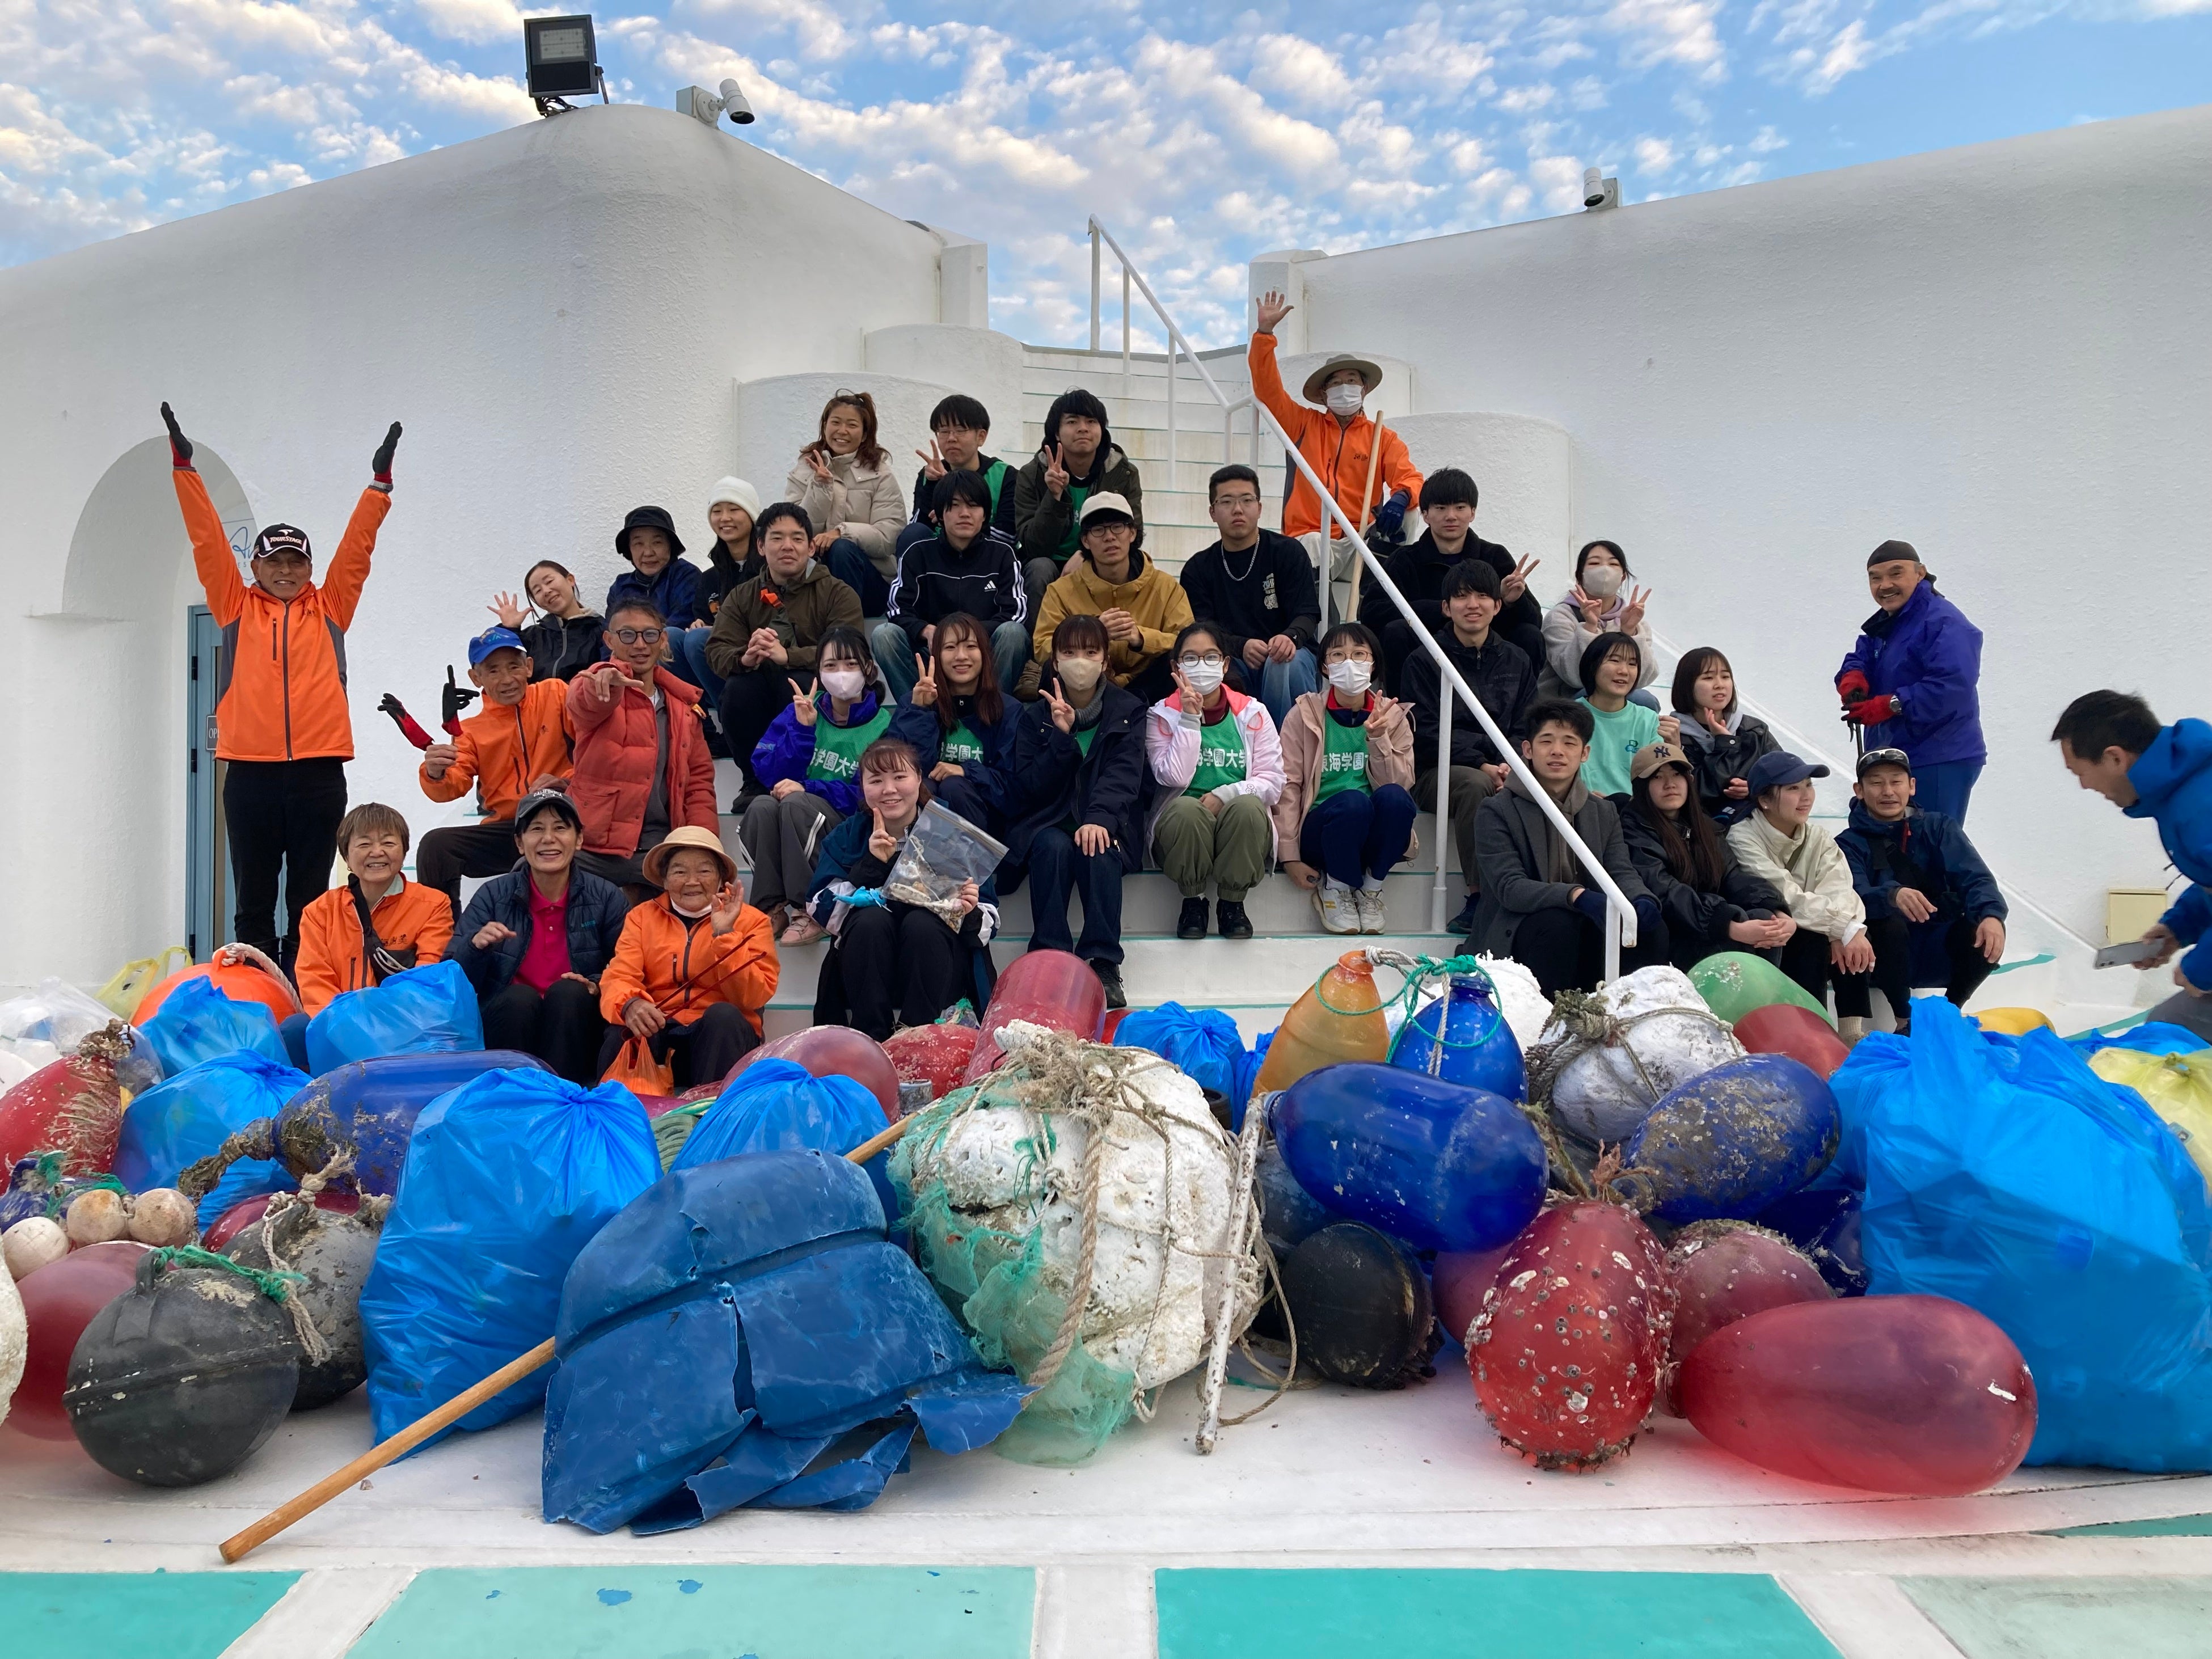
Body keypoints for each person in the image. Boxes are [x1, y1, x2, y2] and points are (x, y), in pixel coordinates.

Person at [162, 400, 399, 976]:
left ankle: (303, 990)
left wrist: (378, 486)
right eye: (276, 562)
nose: (287, 571)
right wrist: (185, 469)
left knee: (311, 898)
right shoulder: (234, 605)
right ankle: (257, 992)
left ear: (309, 567)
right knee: (254, 897)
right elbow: (207, 541)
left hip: (319, 771)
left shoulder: (331, 606)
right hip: (250, 772)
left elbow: (357, 551)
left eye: (296, 562)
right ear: (257, 566)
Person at [805, 738, 999, 1038]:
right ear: (863, 787)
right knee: (870, 921)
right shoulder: (849, 835)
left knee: (923, 923)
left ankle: (916, 1036)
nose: (889, 789)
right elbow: (820, 906)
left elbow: (990, 919)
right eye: (876, 780)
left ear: (919, 778)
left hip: (937, 967)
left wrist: (970, 912)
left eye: (899, 777)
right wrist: (871, 865)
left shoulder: (952, 834)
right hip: (868, 965)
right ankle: (872, 1035)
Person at [1471, 699, 1665, 995]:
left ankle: (1629, 1014)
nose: (1557, 751)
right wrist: (1576, 896)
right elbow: (1511, 888)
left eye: (1570, 743)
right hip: (1522, 925)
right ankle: (1547, 1018)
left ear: (1585, 753)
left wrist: (1640, 899)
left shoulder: (1603, 811)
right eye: (1546, 741)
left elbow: (1620, 871)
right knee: (1559, 925)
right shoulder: (1496, 810)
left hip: (1584, 921)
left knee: (1649, 927)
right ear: (1527, 750)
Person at [2052, 690, 2212, 1042]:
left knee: (2169, 1033)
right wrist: (2178, 928)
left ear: (2115, 758)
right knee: (2167, 1027)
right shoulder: (2185, 790)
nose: (2085, 786)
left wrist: (2202, 969)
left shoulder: (2199, 804)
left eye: (2081, 773)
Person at [1005, 615, 1147, 1009]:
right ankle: (1050, 956)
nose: (1080, 661)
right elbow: (1031, 785)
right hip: (1049, 821)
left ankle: (1104, 963)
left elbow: (1125, 775)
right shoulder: (1034, 716)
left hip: (1108, 822)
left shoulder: (1128, 710)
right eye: (1069, 652)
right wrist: (1060, 737)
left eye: (1090, 651)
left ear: (1105, 661)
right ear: (1055, 661)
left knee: (1098, 847)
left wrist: (1099, 817)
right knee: (1051, 847)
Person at [448, 788, 631, 1083]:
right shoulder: (493, 896)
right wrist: (475, 947)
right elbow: (453, 980)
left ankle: (566, 1092)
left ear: (579, 839)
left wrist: (596, 985)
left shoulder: (607, 897)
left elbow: (627, 967)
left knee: (569, 993)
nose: (548, 839)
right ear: (520, 843)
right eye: (536, 829)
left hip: (576, 1025)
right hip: (512, 1023)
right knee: (519, 998)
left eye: (560, 828)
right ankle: (513, 1092)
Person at [1402, 562, 1538, 934]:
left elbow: (1527, 725)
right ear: (1447, 608)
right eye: (1461, 596)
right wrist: (1481, 763)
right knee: (1477, 786)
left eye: (1482, 596)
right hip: (1437, 771)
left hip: (1505, 765)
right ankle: (1481, 898)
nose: (1472, 604)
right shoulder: (1424, 660)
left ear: (1498, 605)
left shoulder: (1518, 660)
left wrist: (1508, 762)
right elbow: (1424, 729)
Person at [266, 802, 453, 1066]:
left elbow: (429, 975)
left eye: (388, 843)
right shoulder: (320, 912)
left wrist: (382, 1024)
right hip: (338, 1025)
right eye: (364, 844)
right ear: (346, 856)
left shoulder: (433, 905)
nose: (377, 852)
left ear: (404, 851)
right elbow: (314, 979)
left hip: (404, 1025)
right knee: (294, 1030)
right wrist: (347, 1027)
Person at [1836, 748, 2006, 1036]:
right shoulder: (1848, 843)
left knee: (1984, 927)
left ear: (1912, 786)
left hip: (1936, 945)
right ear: (1859, 791)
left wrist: (1992, 915)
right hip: (1881, 957)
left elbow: (1976, 878)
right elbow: (1851, 896)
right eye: (1876, 783)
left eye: (1896, 781)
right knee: (1886, 923)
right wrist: (1892, 896)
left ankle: (1949, 1011)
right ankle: (1904, 1020)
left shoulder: (1939, 827)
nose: (1888, 791)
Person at [706, 501, 865, 805]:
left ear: (811, 547)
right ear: (761, 547)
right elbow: (716, 649)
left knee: (797, 686)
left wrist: (788, 657)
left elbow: (851, 651)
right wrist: (745, 656)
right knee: (737, 690)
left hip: (813, 685)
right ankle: (754, 781)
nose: (787, 546)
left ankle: (800, 778)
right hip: (759, 685)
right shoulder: (743, 595)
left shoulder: (837, 592)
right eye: (777, 538)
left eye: (797, 538)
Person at [1248, 290, 1421, 569]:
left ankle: (1384, 579)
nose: (1345, 388)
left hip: (1362, 538)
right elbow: (1267, 391)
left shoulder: (1383, 438)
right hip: (1312, 537)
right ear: (1324, 394)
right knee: (1312, 543)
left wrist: (1401, 497)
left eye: (1351, 381)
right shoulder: (1302, 424)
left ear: (1364, 389)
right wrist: (1264, 335)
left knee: (1410, 511)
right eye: (1336, 383)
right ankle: (1320, 600)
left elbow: (1410, 478)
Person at [741, 627, 892, 944]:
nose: (841, 674)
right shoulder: (802, 710)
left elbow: (872, 795)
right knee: (762, 806)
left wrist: (809, 789)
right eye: (831, 666)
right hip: (796, 812)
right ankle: (770, 907)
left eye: (851, 664)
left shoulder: (884, 725)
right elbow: (768, 773)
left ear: (868, 669)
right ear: (819, 673)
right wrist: (802, 730)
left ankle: (810, 908)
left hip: (848, 825)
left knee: (797, 804)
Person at [597, 825, 776, 1089]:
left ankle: (713, 1110)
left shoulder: (753, 921)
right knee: (623, 1029)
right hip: (661, 1030)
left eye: (704, 871)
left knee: (724, 1016)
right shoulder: (641, 917)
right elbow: (619, 975)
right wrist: (631, 1004)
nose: (692, 881)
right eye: (680, 872)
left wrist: (725, 934)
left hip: (720, 1041)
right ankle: (617, 1111)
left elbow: (753, 997)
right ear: (665, 880)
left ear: (720, 878)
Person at [415, 626, 575, 914]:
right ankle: (442, 932)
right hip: (510, 830)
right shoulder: (470, 731)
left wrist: (566, 782)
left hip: (561, 816)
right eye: (493, 671)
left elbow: (595, 744)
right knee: (435, 846)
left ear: (529, 667)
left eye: (514, 666)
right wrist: (435, 773)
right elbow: (454, 784)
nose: (507, 679)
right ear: (476, 678)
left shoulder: (555, 693)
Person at [564, 600, 719, 893]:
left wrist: (703, 843)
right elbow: (585, 702)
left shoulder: (684, 709)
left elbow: (698, 785)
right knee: (530, 875)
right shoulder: (598, 683)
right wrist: (607, 679)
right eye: (627, 635)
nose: (639, 644)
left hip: (658, 847)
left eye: (649, 634)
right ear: (609, 640)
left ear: (663, 640)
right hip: (591, 846)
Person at [1273, 623, 1417, 935]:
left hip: (1370, 832)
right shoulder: (1304, 714)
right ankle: (1336, 889)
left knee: (1395, 798)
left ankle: (1371, 890)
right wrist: (1289, 856)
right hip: (1321, 830)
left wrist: (1379, 740)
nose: (1349, 662)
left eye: (1359, 654)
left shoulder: (1393, 716)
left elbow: (1401, 783)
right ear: (1325, 667)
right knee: (1354, 803)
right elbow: (1289, 786)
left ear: (1373, 663)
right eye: (1338, 655)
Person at [1146, 621, 1284, 943]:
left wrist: (1228, 793)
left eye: (1211, 657)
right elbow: (1173, 776)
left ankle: (1232, 904)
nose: (1201, 665)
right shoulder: (1161, 715)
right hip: (1183, 829)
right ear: (1176, 668)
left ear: (1225, 664)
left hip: (1237, 825)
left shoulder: (1253, 713)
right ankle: (1193, 901)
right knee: (1186, 810)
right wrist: (1189, 718)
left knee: (1248, 807)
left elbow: (1273, 781)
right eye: (1190, 658)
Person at [1838, 540, 1986, 823]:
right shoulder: (1890, 621)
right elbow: (1863, 654)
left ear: (1921, 573)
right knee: (1894, 843)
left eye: (1896, 574)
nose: (1885, 585)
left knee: (1933, 840)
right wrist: (1852, 677)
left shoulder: (1944, 621)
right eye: (1875, 578)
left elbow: (1951, 686)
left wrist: (1890, 705)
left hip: (1939, 757)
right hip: (1893, 756)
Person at [1357, 468, 1541, 695]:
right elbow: (1372, 613)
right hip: (1427, 656)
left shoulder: (1495, 556)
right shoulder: (1404, 560)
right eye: (1441, 508)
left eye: (1460, 507)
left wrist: (1511, 601)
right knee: (1396, 632)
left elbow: (1535, 621)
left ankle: (1527, 711)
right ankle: (1402, 711)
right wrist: (1441, 610)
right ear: (1425, 515)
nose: (1451, 516)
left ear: (1473, 513)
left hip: (1487, 654)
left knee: (1530, 635)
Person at [1619, 743, 1795, 974]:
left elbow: (1732, 877)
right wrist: (1726, 925)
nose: (1670, 784)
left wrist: (1778, 910)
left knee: (1766, 919)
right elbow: (1665, 891)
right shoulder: (1633, 830)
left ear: (1689, 780)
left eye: (1677, 774)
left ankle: (1763, 994)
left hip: (1704, 927)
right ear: (1641, 787)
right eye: (1657, 777)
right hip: (1670, 936)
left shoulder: (1705, 827)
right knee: (1738, 924)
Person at [1727, 752, 1875, 1016]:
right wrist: (1841, 926)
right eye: (1793, 788)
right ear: (1764, 800)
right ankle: (1812, 1026)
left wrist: (1841, 931)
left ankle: (1852, 1031)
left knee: (1856, 934)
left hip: (1813, 923)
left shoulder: (1818, 837)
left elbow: (1840, 888)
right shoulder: (1742, 838)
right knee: (1814, 940)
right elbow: (1784, 894)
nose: (1806, 796)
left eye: (1808, 785)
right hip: (1772, 929)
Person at [1176, 463, 1320, 731]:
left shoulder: (1288, 552)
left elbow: (1308, 613)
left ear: (1260, 508)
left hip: (1290, 654)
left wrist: (1290, 637)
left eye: (1247, 500)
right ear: (1212, 512)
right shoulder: (1198, 568)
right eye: (1226, 502)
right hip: (1232, 657)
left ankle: (1290, 746)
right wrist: (1241, 646)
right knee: (1214, 669)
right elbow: (1201, 629)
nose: (1238, 509)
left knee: (1285, 664)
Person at [874, 469, 1029, 701]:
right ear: (940, 514)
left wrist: (967, 636)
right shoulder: (918, 554)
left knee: (1013, 634)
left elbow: (1015, 613)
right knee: (884, 635)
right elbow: (897, 609)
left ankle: (994, 709)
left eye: (973, 506)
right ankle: (918, 709)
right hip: (932, 652)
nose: (964, 513)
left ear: (985, 515)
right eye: (955, 506)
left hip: (983, 653)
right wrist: (926, 631)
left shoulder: (1003, 555)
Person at [1032, 493, 1192, 703]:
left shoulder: (1166, 587)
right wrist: (1093, 634)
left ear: (1133, 533)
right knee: (1051, 667)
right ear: (1085, 541)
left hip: (1147, 686)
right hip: (1085, 688)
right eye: (1098, 530)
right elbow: (1042, 648)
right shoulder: (1061, 591)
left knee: (1175, 662)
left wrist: (1141, 638)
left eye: (1118, 527)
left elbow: (1188, 643)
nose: (1109, 537)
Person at [886, 611, 1023, 834]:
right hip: (926, 822)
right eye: (950, 648)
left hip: (988, 824)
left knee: (954, 786)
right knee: (925, 786)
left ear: (985, 653)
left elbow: (1013, 788)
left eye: (971, 646)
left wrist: (966, 771)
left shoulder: (1008, 709)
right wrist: (919, 712)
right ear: (936, 655)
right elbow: (900, 772)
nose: (961, 656)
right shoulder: (913, 704)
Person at [1013, 388, 1145, 618]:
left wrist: (1086, 556)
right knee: (1039, 567)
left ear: (1102, 430)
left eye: (1091, 421)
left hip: (1100, 559)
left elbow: (1135, 533)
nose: (1083, 428)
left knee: (1131, 563)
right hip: (1051, 563)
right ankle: (1041, 640)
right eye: (1072, 422)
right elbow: (1033, 547)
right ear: (1057, 433)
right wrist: (1054, 497)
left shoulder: (1123, 473)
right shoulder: (1032, 474)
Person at [785, 390, 905, 618]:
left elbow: (889, 537)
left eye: (852, 425)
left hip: (870, 581)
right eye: (836, 423)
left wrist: (841, 532)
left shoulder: (880, 473)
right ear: (825, 426)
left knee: (841, 549)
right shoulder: (805, 468)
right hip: (815, 575)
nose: (842, 431)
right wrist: (819, 488)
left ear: (865, 433)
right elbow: (794, 530)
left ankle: (845, 629)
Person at [669, 477, 762, 723]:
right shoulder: (710, 577)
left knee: (699, 640)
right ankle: (702, 718)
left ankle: (732, 718)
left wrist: (716, 631)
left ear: (752, 515)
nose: (725, 518)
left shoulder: (770, 568)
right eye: (717, 511)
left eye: (734, 509)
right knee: (670, 638)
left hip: (755, 658)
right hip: (719, 665)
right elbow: (702, 618)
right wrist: (699, 624)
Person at [897, 394, 1016, 560]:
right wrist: (933, 485)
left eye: (960, 431)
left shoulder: (1005, 476)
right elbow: (918, 529)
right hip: (939, 562)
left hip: (987, 561)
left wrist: (958, 524)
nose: (951, 439)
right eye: (944, 431)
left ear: (981, 437)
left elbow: (1008, 536)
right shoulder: (929, 475)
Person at [1539, 540, 1656, 701]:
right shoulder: (1561, 617)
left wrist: (1630, 632)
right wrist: (1590, 627)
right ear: (1580, 576)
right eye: (1594, 563)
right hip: (1568, 701)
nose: (1605, 570)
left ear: (1623, 577)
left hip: (1614, 699)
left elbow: (1644, 679)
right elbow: (1574, 677)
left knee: (1645, 700)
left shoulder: (1635, 621)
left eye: (1613, 564)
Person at [1671, 647, 1777, 823]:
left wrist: (1757, 788)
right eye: (1708, 678)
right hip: (1704, 827)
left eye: (1726, 677)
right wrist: (1725, 743)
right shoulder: (1675, 735)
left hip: (1759, 822)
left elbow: (1785, 776)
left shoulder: (1755, 730)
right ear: (1687, 686)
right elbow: (1697, 792)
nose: (1720, 685)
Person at [604, 506, 705, 679]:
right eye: (638, 544)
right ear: (629, 549)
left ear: (670, 546)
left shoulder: (686, 575)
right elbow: (610, 636)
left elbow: (680, 622)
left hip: (675, 667)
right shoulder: (621, 586)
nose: (648, 553)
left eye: (657, 543)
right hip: (628, 670)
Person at [1577, 634, 1679, 797]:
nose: (1624, 671)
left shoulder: (1649, 721)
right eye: (1614, 660)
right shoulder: (1568, 717)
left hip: (1635, 810)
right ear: (1592, 665)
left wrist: (1675, 749)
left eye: (1632, 664)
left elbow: (1660, 780)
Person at [504, 561, 605, 682]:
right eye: (538, 591)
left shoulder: (602, 630)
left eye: (549, 581)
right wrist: (510, 629)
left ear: (570, 580)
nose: (546, 591)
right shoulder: (531, 637)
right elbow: (501, 666)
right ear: (537, 602)